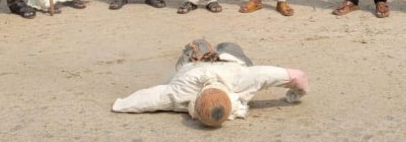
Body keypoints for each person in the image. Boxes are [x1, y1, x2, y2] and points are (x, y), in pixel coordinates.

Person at [111, 39, 308, 127]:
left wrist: (121, 104)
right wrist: (296, 93)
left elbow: (146, 99)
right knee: (230, 46)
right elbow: (297, 77)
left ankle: (203, 48)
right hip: (231, 62)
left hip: (193, 67)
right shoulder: (240, 80)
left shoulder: (180, 92)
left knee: (198, 44)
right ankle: (218, 48)